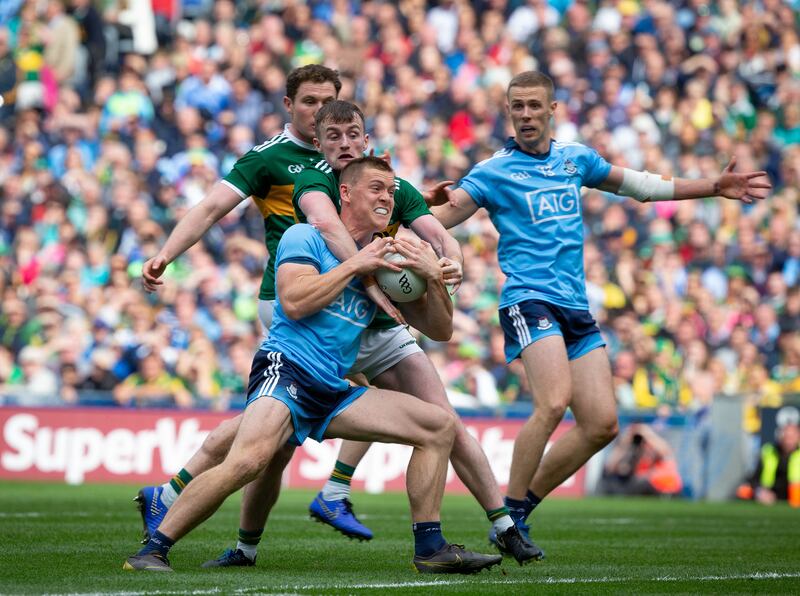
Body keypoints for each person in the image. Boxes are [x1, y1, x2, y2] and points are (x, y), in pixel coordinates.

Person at [431, 70, 773, 554]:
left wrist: (713, 186)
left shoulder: (576, 160)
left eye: (534, 105)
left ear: (553, 110)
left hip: (574, 306)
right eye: (517, 106)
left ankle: (522, 510)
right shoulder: (492, 171)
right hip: (528, 299)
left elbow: (643, 187)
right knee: (552, 403)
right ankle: (504, 519)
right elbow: (444, 215)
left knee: (601, 425)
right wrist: (399, 204)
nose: (525, 114)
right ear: (508, 112)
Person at [123, 156, 503, 574]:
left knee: (439, 426)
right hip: (286, 369)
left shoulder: (390, 257)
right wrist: (358, 265)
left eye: (391, 191)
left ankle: (430, 549)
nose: (386, 197)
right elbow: (294, 301)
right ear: (345, 192)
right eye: (376, 187)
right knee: (248, 461)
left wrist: (433, 278)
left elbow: (441, 330)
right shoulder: (305, 235)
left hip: (331, 386)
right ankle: (152, 550)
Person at [598, 423, 683, 496]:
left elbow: (665, 452)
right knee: (613, 481)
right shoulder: (633, 452)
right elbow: (610, 467)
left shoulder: (655, 449)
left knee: (641, 482)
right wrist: (624, 444)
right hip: (643, 486)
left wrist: (646, 433)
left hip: (663, 487)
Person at [737, 419, 800, 507]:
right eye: (786, 436)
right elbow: (753, 479)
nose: (788, 441)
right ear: (779, 437)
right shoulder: (768, 452)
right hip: (770, 494)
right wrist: (760, 492)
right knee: (744, 490)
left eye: (792, 437)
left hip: (794, 498)